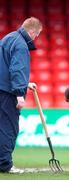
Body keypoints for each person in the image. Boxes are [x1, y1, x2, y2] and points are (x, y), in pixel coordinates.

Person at [0, 17, 42, 173]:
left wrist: (25, 84)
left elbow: (5, 66)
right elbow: (17, 69)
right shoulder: (21, 45)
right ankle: (5, 164)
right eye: (36, 35)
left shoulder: (8, 38)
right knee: (8, 128)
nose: (35, 38)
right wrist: (19, 93)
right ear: (31, 31)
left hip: (1, 88)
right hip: (8, 93)